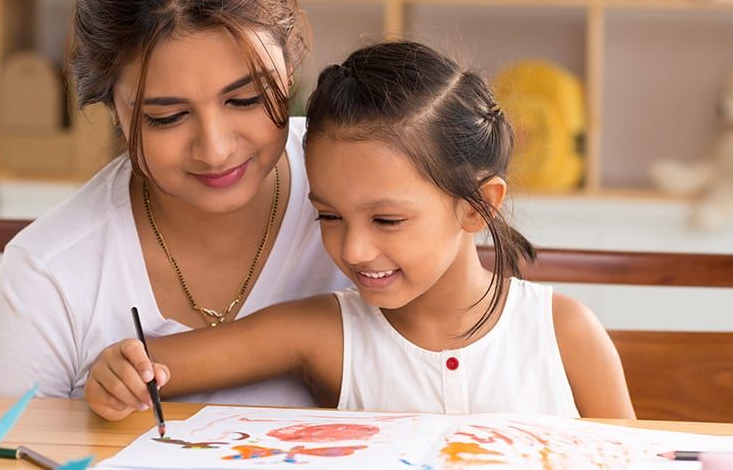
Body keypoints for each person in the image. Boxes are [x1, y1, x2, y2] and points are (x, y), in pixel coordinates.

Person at [85, 40, 636, 420]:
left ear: (477, 207)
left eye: (387, 220)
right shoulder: (324, 333)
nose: (352, 248)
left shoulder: (564, 333)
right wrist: (121, 372)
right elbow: (153, 367)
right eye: (329, 216)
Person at [0, 0, 351, 411]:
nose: (215, 150)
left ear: (289, 69)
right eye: (167, 117)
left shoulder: (377, 189)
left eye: (245, 99)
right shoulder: (49, 272)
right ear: (115, 109)